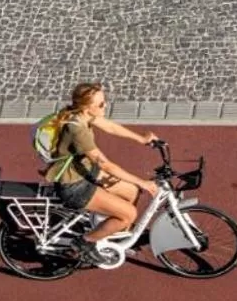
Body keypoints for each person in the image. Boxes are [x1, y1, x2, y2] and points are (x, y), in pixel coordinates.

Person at [47, 83, 160, 252]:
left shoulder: (82, 115)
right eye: (100, 104)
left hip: (86, 171)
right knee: (129, 214)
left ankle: (113, 234)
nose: (105, 105)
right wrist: (143, 182)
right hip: (75, 186)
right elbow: (105, 165)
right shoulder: (78, 130)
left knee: (131, 191)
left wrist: (141, 139)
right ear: (87, 107)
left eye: (104, 101)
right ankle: (85, 241)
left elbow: (110, 127)